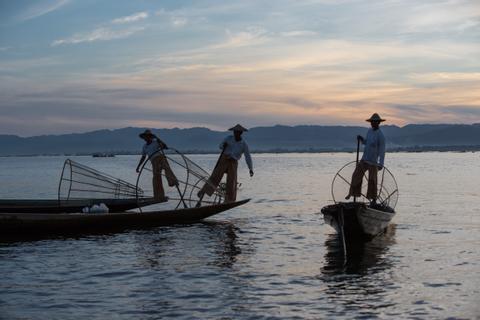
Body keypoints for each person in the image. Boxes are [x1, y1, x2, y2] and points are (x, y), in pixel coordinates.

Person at [197, 124, 254, 203]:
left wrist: (250, 169)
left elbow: (247, 157)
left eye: (237, 132)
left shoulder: (244, 144)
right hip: (224, 159)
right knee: (215, 176)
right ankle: (203, 191)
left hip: (233, 162)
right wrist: (223, 145)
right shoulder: (228, 138)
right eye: (235, 132)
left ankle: (229, 200)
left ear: (240, 133)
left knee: (232, 181)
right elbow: (220, 146)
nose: (235, 134)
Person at [346, 113, 386, 203]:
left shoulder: (381, 135)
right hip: (365, 159)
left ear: (378, 123)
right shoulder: (369, 131)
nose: (372, 123)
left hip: (373, 162)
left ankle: (373, 199)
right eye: (372, 122)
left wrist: (381, 164)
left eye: (374, 122)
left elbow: (382, 151)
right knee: (356, 175)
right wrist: (361, 139)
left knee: (372, 180)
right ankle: (353, 193)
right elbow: (366, 143)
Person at [136, 129, 178, 202]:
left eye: (148, 136)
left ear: (151, 137)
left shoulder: (156, 142)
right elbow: (143, 157)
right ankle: (159, 196)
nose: (147, 138)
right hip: (154, 162)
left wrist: (158, 138)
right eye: (145, 137)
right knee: (156, 178)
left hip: (161, 158)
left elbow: (165, 147)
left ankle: (173, 182)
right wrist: (138, 166)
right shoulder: (144, 147)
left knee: (167, 169)